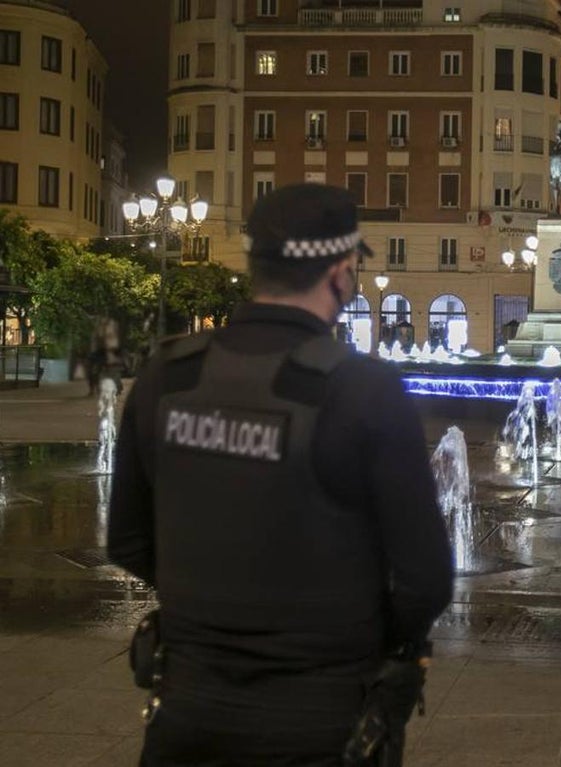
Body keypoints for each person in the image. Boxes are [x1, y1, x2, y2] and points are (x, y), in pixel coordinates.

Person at [108, 183, 454, 766]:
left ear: (254, 265)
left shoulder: (168, 375)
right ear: (343, 271)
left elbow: (127, 542)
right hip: (322, 722)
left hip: (186, 709)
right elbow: (424, 580)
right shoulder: (363, 389)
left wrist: (213, 603)